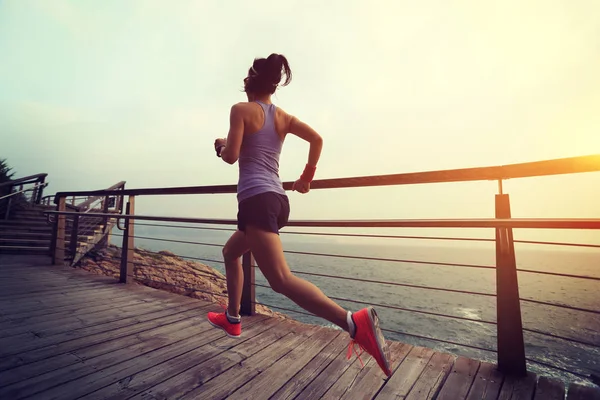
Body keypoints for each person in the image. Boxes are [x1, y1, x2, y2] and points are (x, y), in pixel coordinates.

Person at [209, 53, 392, 377]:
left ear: (249, 84)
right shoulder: (284, 117)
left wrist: (222, 145)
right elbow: (317, 139)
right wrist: (306, 177)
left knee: (281, 280)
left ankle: (353, 323)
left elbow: (232, 157)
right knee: (231, 251)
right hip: (278, 201)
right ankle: (233, 317)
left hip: (256, 201)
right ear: (273, 86)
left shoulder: (241, 110)